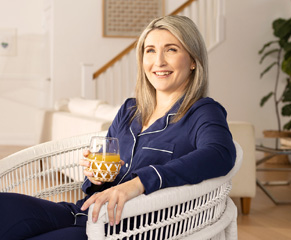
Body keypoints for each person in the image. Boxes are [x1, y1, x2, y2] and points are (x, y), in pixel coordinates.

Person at [0, 15, 236, 240]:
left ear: (193, 61)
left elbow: (220, 154)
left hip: (129, 229)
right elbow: (100, 181)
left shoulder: (203, 111)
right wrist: (96, 178)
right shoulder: (130, 110)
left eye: (171, 50)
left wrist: (139, 183)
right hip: (86, 213)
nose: (159, 61)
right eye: (150, 51)